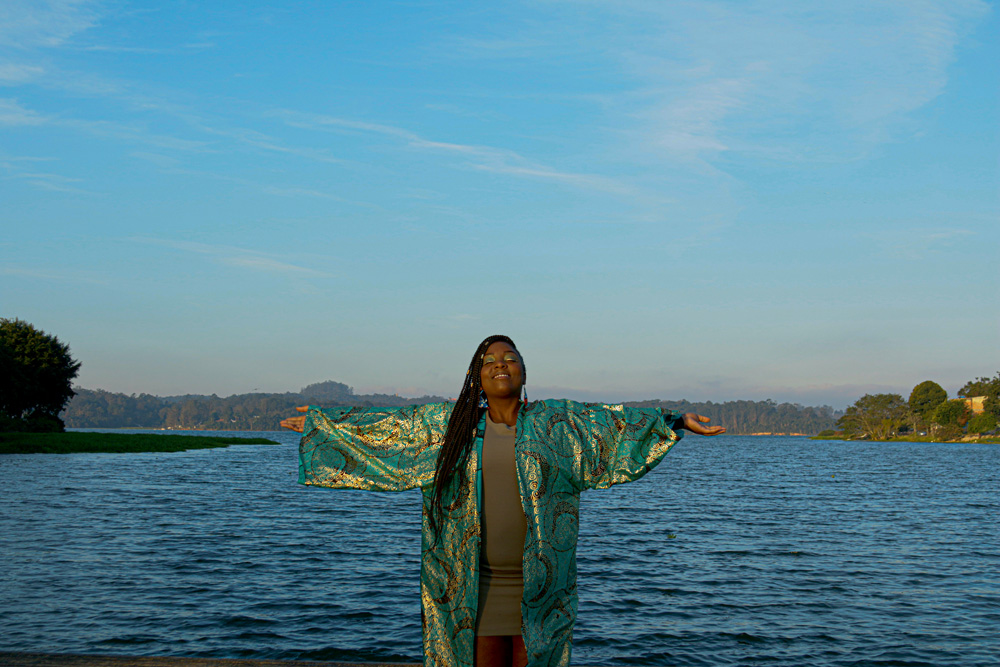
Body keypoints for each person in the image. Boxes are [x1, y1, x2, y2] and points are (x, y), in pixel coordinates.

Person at [281, 335, 725, 667]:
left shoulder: (559, 425)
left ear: (524, 373)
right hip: (472, 589)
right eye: (489, 360)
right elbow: (388, 432)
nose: (500, 364)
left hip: (542, 588)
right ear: (476, 376)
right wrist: (323, 426)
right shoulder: (445, 429)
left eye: (510, 358)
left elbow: (614, 426)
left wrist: (674, 421)